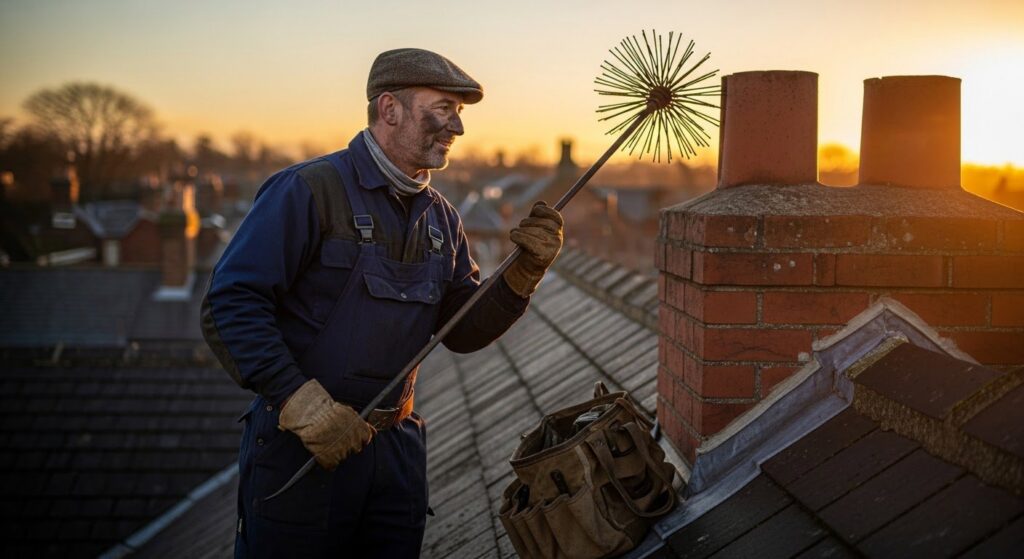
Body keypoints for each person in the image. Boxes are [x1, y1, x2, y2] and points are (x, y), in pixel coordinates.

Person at [201, 48, 564, 557]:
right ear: (389, 108)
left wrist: (522, 275)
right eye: (442, 109)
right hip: (302, 449)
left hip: (394, 456)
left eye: (459, 113)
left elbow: (462, 330)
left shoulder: (442, 220)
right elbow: (230, 303)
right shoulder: (309, 191)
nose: (456, 127)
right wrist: (299, 403)